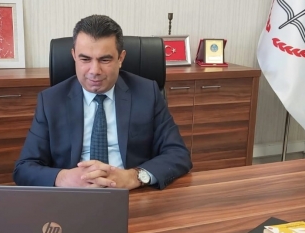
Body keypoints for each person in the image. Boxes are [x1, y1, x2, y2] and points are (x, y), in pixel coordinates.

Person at [13, 15, 192, 190]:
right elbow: (24, 167)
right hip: (73, 196)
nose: (94, 71)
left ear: (120, 58)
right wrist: (63, 178)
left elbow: (178, 154)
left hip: (132, 193)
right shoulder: (51, 101)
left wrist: (134, 176)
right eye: (85, 59)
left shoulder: (147, 93)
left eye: (105, 60)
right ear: (73, 55)